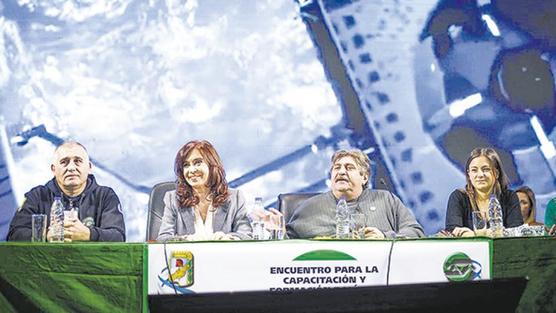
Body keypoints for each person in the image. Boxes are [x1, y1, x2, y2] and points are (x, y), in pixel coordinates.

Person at [286, 149, 424, 239]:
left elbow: (416, 232)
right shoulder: (311, 207)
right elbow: (287, 244)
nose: (341, 172)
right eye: (336, 168)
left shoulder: (386, 199)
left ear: (364, 177)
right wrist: (275, 231)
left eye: (349, 168)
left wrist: (385, 236)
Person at [7, 141, 125, 241]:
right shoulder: (36, 196)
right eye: (64, 162)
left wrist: (89, 234)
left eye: (78, 161)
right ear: (53, 169)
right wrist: (46, 236)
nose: (71, 168)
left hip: (92, 267)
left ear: (89, 167)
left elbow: (118, 236)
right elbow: (14, 234)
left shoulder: (105, 196)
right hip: (46, 266)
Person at [156, 140, 251, 241]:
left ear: (212, 165)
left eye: (198, 163)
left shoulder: (235, 197)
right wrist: (186, 239)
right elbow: (163, 238)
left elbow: (246, 234)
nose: (191, 170)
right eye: (186, 165)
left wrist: (229, 238)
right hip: (187, 256)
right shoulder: (173, 199)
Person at [445, 147, 523, 237]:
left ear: (496, 173)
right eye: (474, 170)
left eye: (485, 169)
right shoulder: (459, 197)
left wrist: (471, 234)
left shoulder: (510, 197)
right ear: (469, 175)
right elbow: (453, 230)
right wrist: (489, 233)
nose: (480, 175)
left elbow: (516, 231)